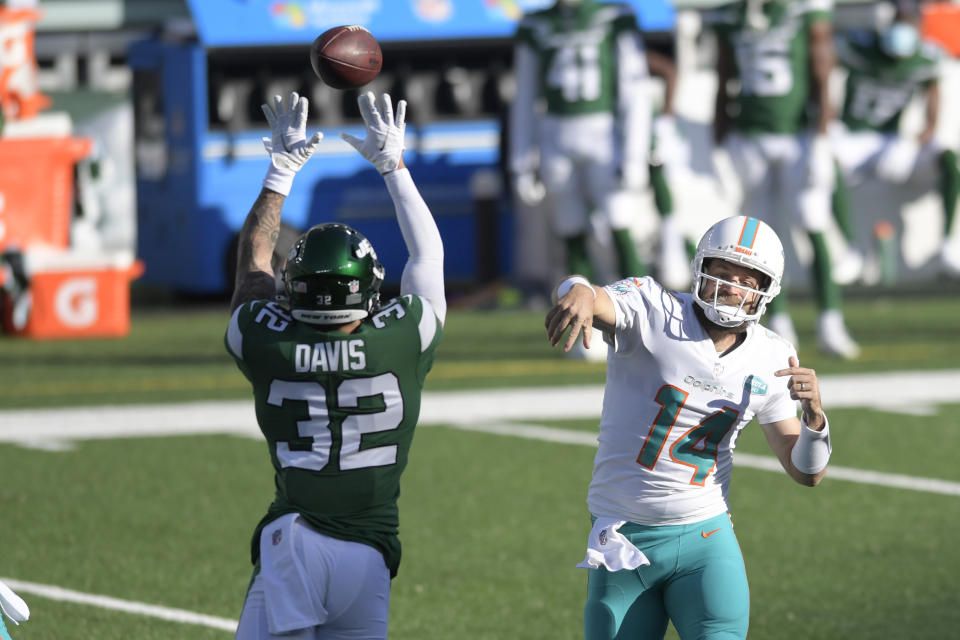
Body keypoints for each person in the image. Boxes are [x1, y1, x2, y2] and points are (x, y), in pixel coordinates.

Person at [545, 215, 833, 640]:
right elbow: (589, 294)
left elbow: (806, 471)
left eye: (747, 278)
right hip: (625, 540)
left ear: (766, 290)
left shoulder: (773, 354)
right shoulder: (653, 309)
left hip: (706, 537)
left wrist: (814, 419)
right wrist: (579, 290)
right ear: (700, 268)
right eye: (722, 272)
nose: (733, 286)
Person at [226, 90, 445, 639]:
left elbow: (253, 265)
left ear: (292, 288)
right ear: (369, 289)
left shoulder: (266, 342)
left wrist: (280, 173)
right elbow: (428, 259)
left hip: (297, 541)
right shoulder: (400, 337)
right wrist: (394, 167)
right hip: (369, 555)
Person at [707, 0, 860, 359]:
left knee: (811, 220)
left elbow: (822, 73)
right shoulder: (731, 15)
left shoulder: (803, 11)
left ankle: (830, 319)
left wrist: (822, 137)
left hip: (796, 137)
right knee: (759, 239)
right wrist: (717, 141)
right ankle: (776, 322)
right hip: (749, 137)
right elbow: (724, 76)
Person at [509, 0, 651, 287]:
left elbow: (634, 89)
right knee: (569, 229)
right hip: (556, 135)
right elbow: (524, 96)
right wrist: (521, 161)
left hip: (603, 133)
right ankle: (584, 321)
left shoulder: (613, 14)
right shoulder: (536, 23)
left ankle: (642, 314)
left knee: (619, 220)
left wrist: (635, 153)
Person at [830, 0, 960, 280]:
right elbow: (821, 70)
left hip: (892, 139)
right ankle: (852, 251)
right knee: (822, 161)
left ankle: (949, 245)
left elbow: (934, 97)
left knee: (948, 156)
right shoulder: (857, 45)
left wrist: (922, 134)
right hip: (853, 135)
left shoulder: (927, 57)